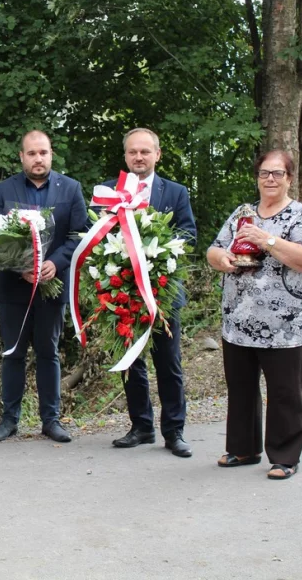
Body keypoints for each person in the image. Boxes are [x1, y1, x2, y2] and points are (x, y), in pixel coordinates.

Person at [206, 149, 302, 481]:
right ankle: (243, 449)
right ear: (257, 177)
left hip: (284, 321)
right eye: (264, 173)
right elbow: (214, 249)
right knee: (241, 387)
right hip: (238, 318)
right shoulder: (242, 213)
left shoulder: (300, 216)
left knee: (285, 390)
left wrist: (267, 238)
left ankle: (285, 456)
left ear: (289, 179)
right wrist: (222, 260)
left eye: (277, 174)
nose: (270, 179)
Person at [0, 130, 88, 444]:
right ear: (21, 156)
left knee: (48, 353)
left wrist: (54, 263)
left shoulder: (70, 189)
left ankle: (51, 420)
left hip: (52, 285)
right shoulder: (4, 190)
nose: (38, 158)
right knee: (13, 353)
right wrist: (21, 265)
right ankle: (9, 420)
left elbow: (78, 235)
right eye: (31, 153)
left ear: (51, 154)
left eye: (43, 152)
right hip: (15, 287)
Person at [109, 128, 197, 457]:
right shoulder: (111, 191)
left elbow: (188, 234)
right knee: (131, 362)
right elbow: (98, 235)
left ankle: (174, 431)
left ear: (157, 155)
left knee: (168, 363)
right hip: (122, 292)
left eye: (145, 151)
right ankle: (141, 427)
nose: (139, 157)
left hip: (163, 293)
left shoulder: (174, 192)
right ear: (126, 156)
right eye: (133, 152)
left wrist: (156, 253)